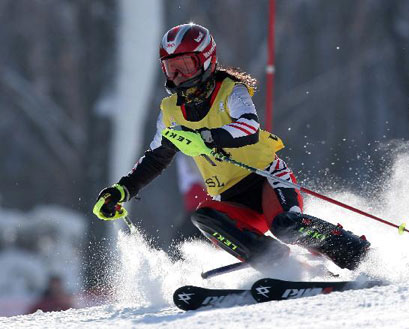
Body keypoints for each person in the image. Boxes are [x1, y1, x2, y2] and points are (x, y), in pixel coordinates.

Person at [93, 23, 369, 270]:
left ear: (206, 61)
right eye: (170, 68)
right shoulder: (170, 111)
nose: (178, 75)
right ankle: (280, 266)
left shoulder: (230, 91)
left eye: (185, 65)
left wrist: (206, 137)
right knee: (204, 217)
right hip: (230, 196)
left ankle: (355, 252)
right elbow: (156, 158)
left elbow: (248, 128)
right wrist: (122, 190)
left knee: (285, 226)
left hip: (266, 179)